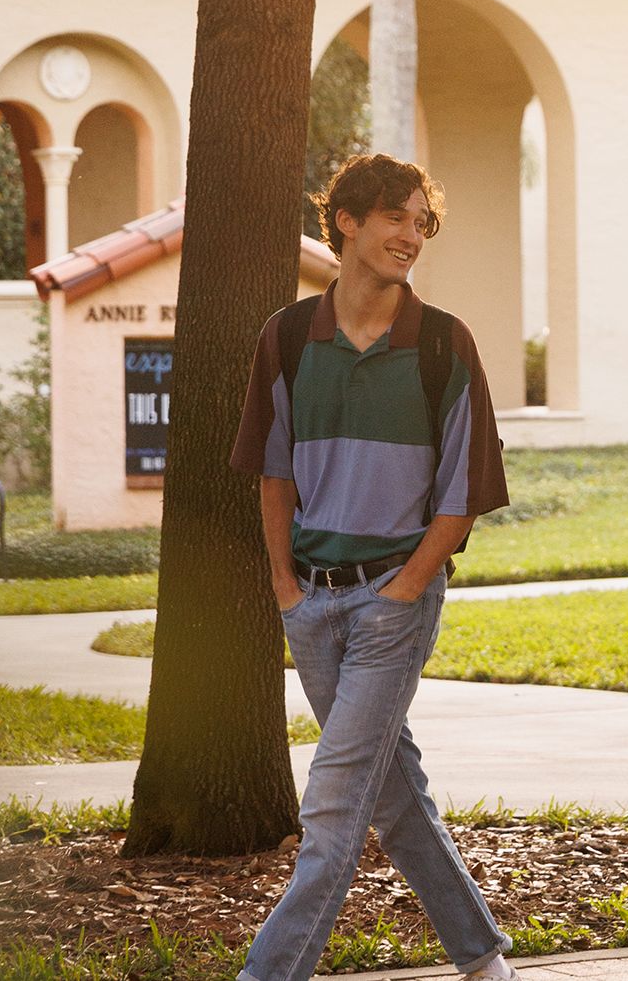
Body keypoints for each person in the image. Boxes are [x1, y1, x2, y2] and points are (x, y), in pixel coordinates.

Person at [231, 154, 519, 981]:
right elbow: (274, 473)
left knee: (332, 805)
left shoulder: (441, 341)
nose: (410, 235)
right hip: (312, 604)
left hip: (394, 600)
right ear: (347, 221)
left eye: (421, 221)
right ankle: (482, 955)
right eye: (396, 216)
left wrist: (405, 587)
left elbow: (463, 492)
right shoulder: (287, 337)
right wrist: (286, 588)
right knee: (390, 796)